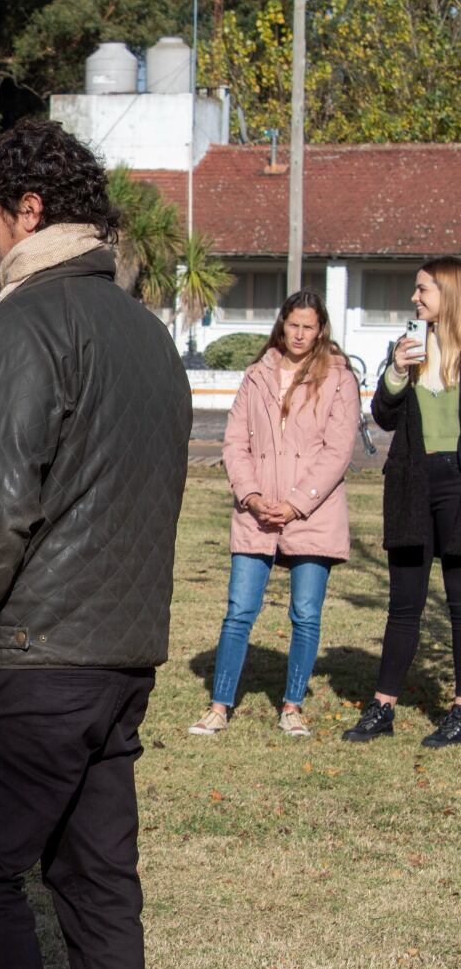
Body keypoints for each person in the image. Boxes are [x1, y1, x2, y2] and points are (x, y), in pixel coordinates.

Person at [0, 120, 191, 969]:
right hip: (123, 656)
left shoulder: (27, 320)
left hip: (37, 657)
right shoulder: (147, 333)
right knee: (96, 880)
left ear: (28, 211)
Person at [189, 292, 358, 739]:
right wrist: (251, 495)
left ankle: (292, 705)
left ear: (321, 329)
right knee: (239, 611)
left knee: (305, 614)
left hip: (313, 514)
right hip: (256, 514)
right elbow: (234, 444)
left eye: (309, 326)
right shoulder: (256, 375)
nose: (300, 334)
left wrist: (298, 502)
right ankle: (219, 704)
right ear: (281, 325)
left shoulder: (339, 377)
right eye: (293, 325)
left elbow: (338, 450)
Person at [356, 256, 461, 747]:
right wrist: (397, 371)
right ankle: (383, 707)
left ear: (449, 293)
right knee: (404, 604)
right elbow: (383, 415)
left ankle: (460, 710)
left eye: (423, 291)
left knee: (460, 606)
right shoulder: (409, 348)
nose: (414, 299)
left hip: (458, 484)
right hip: (412, 483)